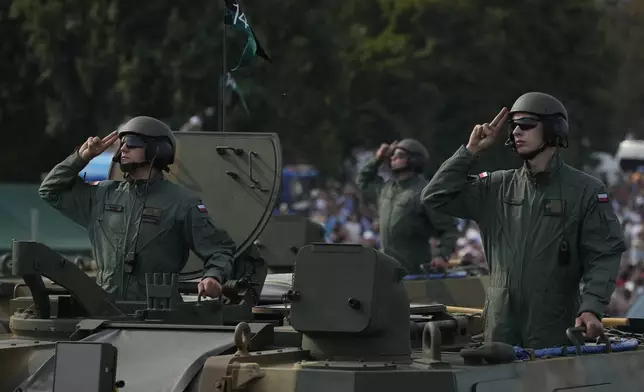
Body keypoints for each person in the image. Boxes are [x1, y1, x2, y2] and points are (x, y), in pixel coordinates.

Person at [422, 92, 626, 349]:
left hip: (555, 330)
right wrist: (470, 152)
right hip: (499, 328)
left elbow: (605, 255)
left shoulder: (587, 191)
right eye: (514, 126)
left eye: (527, 125)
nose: (517, 131)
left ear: (554, 130)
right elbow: (434, 196)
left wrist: (592, 308)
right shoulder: (496, 187)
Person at [39, 116, 237, 301]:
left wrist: (213, 276)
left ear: (157, 149)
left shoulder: (182, 202)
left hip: (160, 315)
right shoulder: (103, 194)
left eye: (132, 143)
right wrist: (81, 158)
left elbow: (220, 249)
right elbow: (50, 191)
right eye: (122, 143)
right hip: (104, 310)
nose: (123, 149)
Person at [356, 138, 459, 275]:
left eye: (399, 156)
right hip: (386, 270)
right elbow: (362, 180)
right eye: (392, 156)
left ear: (414, 160)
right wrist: (378, 158)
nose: (393, 159)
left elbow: (449, 229)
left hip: (414, 271)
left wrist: (442, 255)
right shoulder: (386, 189)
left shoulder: (425, 191)